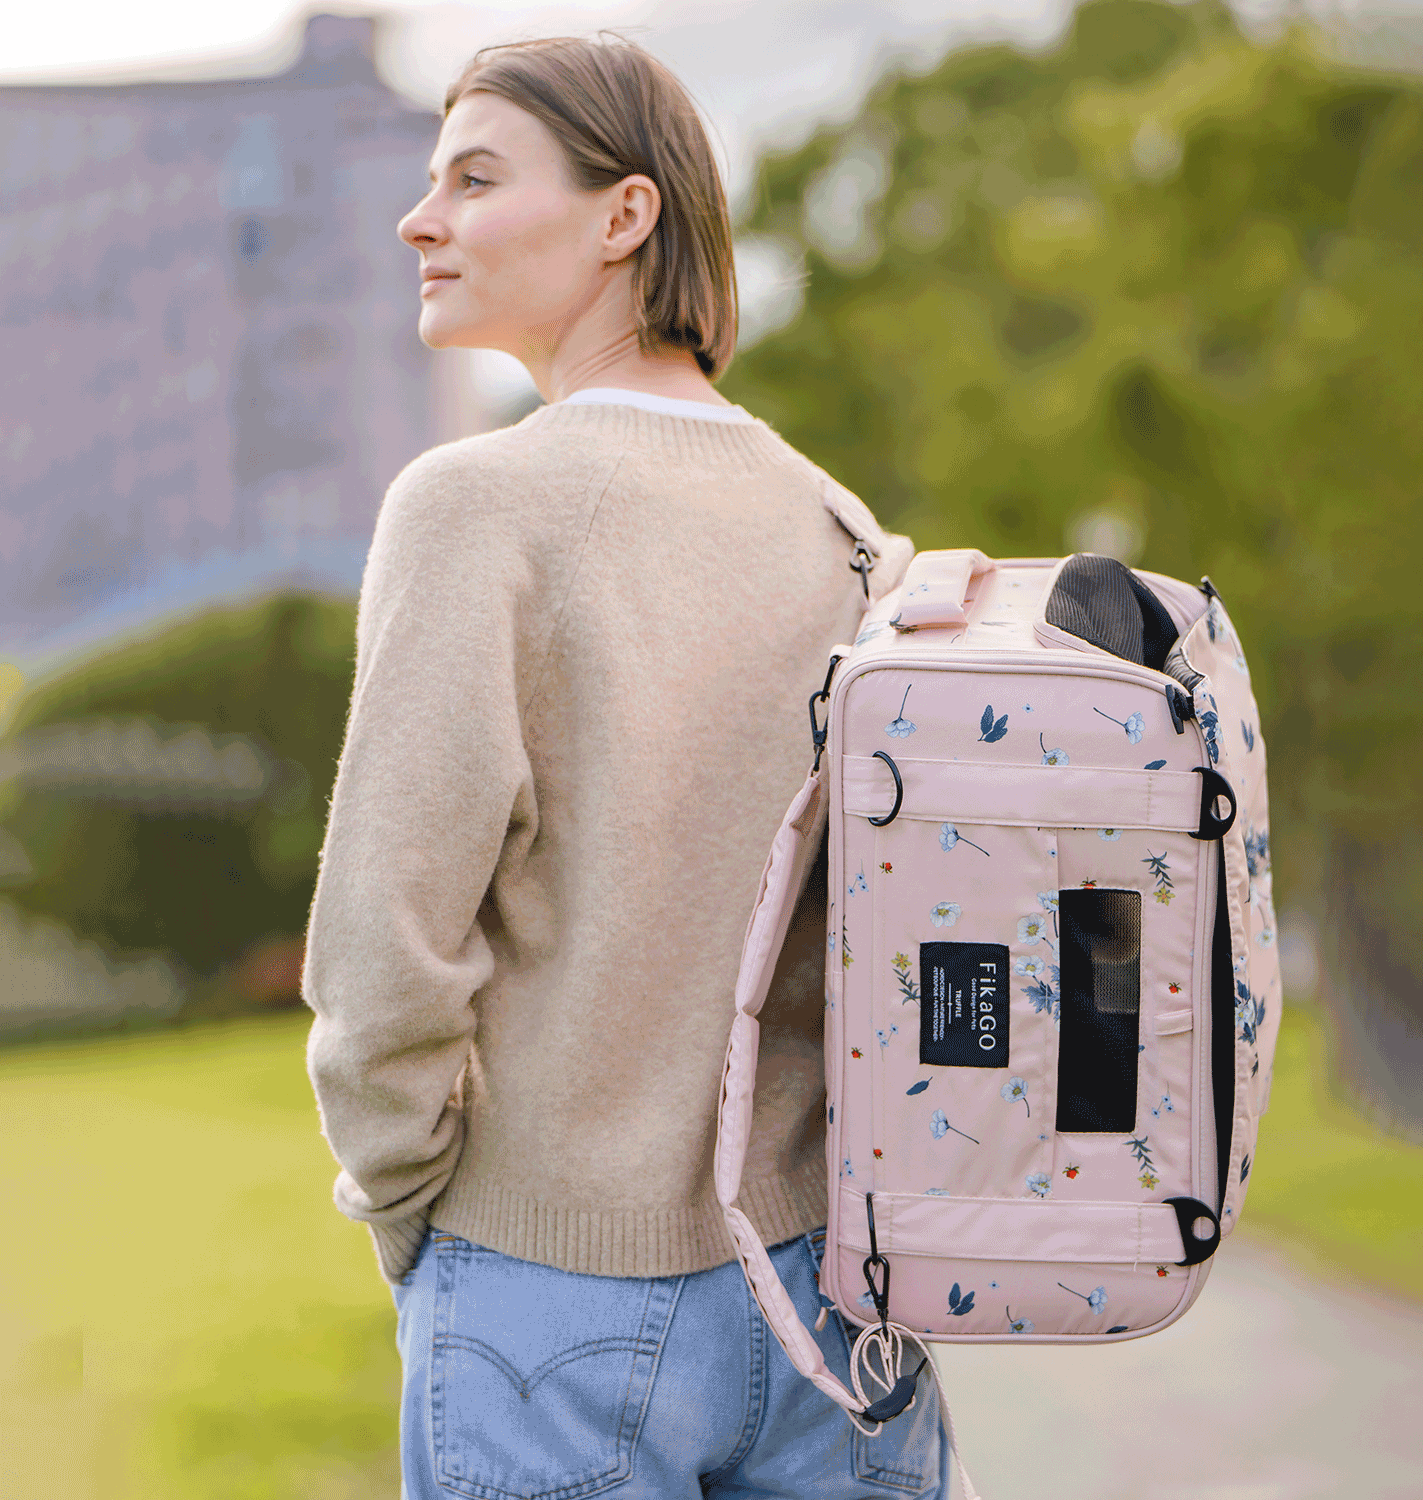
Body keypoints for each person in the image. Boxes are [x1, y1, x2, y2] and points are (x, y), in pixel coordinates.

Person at [302, 34, 947, 1499]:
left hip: (544, 1294)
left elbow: (383, 953)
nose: (423, 219)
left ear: (624, 216)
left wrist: (416, 1218)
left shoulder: (478, 504)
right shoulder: (840, 528)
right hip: (835, 1315)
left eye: (473, 178)